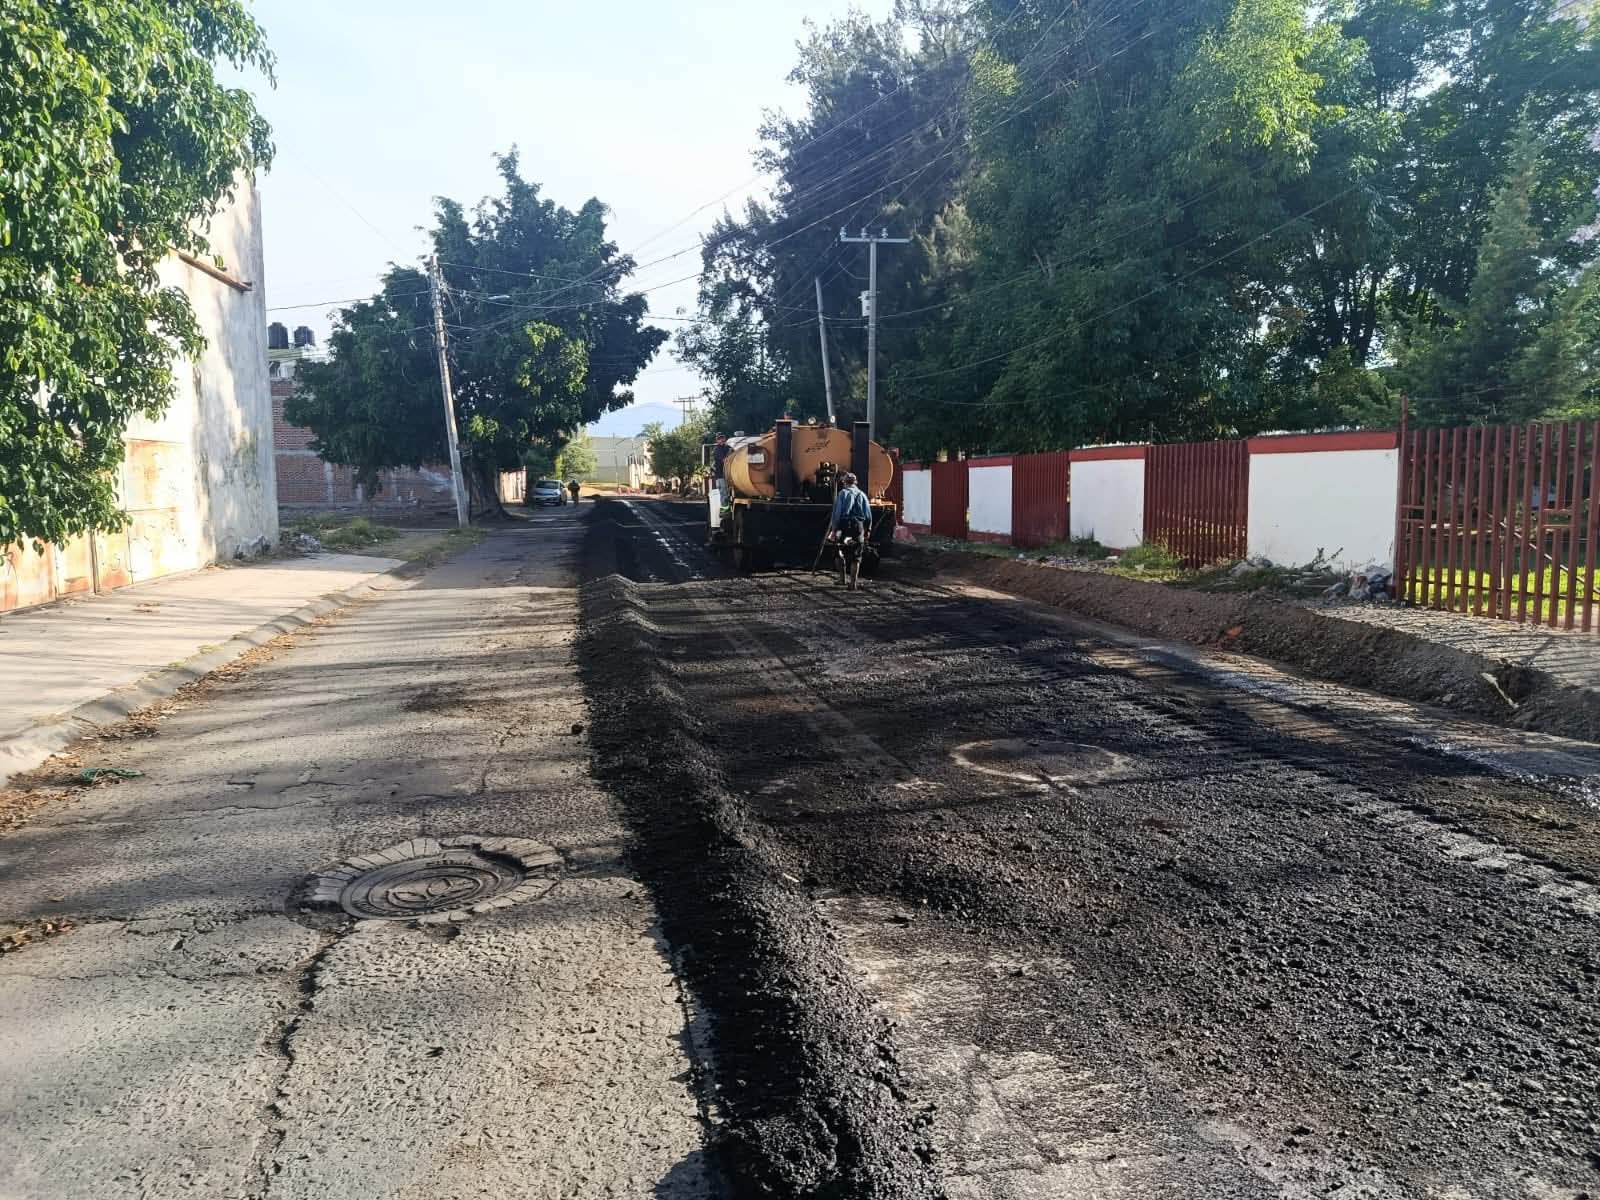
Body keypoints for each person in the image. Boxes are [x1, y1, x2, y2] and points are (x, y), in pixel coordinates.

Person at [828, 471, 871, 541]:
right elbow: (868, 515)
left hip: (844, 526)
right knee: (859, 546)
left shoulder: (842, 493)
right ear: (855, 482)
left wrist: (834, 530)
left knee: (839, 545)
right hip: (858, 526)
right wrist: (868, 530)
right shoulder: (862, 494)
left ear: (844, 483)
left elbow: (837, 513)